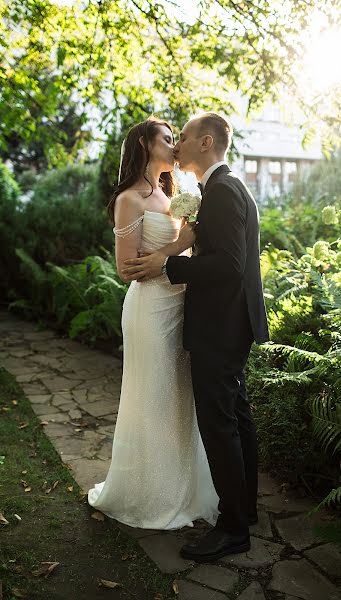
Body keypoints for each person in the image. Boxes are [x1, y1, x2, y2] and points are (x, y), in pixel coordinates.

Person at [122, 112, 269, 562]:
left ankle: (232, 529)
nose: (178, 144)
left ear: (206, 143)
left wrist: (169, 266)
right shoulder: (223, 188)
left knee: (219, 422)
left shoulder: (222, 191)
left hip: (220, 327)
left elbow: (227, 265)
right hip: (230, 323)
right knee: (237, 415)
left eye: (182, 137)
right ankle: (245, 509)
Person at [87, 116, 219, 530]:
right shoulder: (130, 198)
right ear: (145, 143)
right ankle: (150, 494)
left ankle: (183, 488)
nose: (174, 144)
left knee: (180, 399)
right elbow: (126, 269)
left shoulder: (172, 196)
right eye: (167, 138)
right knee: (155, 396)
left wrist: (183, 249)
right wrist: (177, 248)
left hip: (182, 306)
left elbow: (180, 256)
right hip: (150, 310)